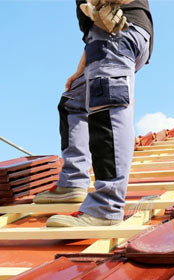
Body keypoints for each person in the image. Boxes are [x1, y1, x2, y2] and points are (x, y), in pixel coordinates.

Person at [34, 0, 153, 227]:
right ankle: (72, 182)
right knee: (72, 102)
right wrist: (82, 67)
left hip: (119, 32)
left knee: (107, 105)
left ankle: (106, 206)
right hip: (104, 38)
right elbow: (93, 28)